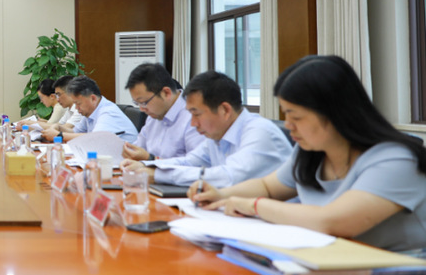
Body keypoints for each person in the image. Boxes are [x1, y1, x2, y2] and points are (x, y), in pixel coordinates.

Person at [191, 55, 426, 275]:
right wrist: (219, 194)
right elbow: (269, 185)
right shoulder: (312, 153)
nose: (288, 125)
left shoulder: (395, 159)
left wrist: (252, 206)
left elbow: (332, 223)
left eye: (296, 116)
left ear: (333, 112)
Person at [122, 70, 292, 187]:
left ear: (224, 110)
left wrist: (158, 174)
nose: (193, 123)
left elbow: (228, 176)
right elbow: (188, 162)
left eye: (196, 114)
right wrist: (145, 166)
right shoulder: (216, 135)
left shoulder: (259, 132)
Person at [121, 63, 203, 161]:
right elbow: (137, 149)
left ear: (166, 93)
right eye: (137, 103)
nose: (141, 109)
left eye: (144, 102)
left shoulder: (194, 116)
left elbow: (196, 164)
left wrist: (150, 159)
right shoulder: (154, 116)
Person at [43, 76, 138, 142]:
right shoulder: (90, 112)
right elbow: (76, 132)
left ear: (93, 98)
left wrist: (59, 135)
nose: (76, 108)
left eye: (78, 103)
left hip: (127, 162)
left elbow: (94, 138)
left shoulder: (108, 112)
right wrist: (59, 128)